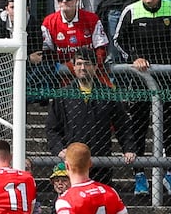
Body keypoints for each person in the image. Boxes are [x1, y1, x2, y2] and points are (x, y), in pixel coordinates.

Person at [45, 47, 138, 187]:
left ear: (95, 67)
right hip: (72, 163)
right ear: (74, 67)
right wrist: (59, 149)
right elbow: (52, 128)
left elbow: (122, 124)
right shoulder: (62, 96)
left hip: (101, 161)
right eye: (79, 64)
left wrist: (128, 148)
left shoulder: (108, 94)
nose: (83, 68)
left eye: (87, 64)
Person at [113, 0, 171, 195]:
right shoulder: (131, 11)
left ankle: (168, 175)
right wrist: (135, 57)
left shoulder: (169, 8)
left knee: (169, 128)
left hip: (167, 81)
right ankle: (139, 177)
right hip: (139, 82)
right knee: (138, 127)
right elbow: (118, 40)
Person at [41, 0, 109, 88]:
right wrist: (68, 68)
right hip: (64, 76)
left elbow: (101, 49)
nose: (64, 1)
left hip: (92, 72)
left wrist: (90, 66)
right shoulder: (48, 22)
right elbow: (47, 54)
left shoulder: (92, 19)